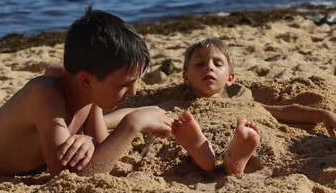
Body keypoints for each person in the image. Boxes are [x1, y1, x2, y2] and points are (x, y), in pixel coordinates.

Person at [0, 6, 173, 180]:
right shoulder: (45, 95)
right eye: (124, 84)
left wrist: (91, 143)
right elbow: (70, 176)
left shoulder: (84, 89)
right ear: (85, 80)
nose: (133, 91)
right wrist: (132, 123)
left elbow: (103, 148)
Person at [105, 36, 336, 175]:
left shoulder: (244, 102)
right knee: (182, 145)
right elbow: (136, 112)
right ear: (186, 76)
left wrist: (322, 114)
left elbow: (282, 111)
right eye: (200, 64)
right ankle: (208, 156)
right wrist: (105, 121)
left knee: (245, 134)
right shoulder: (177, 105)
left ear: (230, 78)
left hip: (234, 137)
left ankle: (233, 159)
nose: (209, 68)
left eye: (217, 63)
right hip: (197, 142)